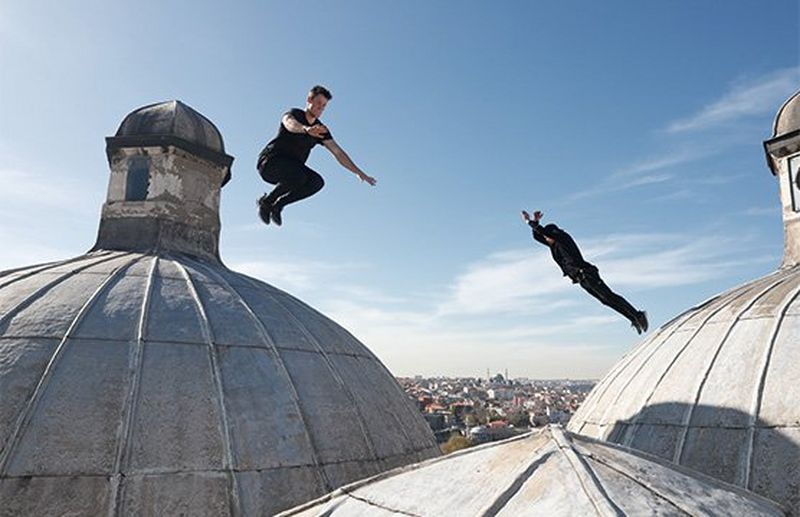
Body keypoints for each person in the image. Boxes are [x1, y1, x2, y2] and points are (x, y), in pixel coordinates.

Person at [255, 85, 376, 226]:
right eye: (318, 104)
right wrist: (306, 129)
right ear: (309, 100)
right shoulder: (295, 114)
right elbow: (289, 124)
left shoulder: (321, 129)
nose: (320, 108)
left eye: (324, 106)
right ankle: (266, 202)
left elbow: (338, 152)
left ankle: (278, 205)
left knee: (316, 182)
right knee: (299, 176)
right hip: (270, 163)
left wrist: (359, 172)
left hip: (292, 171)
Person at [521, 210, 649, 334]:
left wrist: (529, 222)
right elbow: (537, 236)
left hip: (586, 273)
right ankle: (633, 319)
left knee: (609, 296)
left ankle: (638, 315)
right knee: (605, 300)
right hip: (580, 278)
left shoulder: (562, 238)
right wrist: (535, 222)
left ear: (552, 234)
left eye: (547, 237)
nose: (546, 240)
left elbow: (541, 232)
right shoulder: (554, 245)